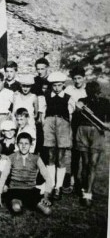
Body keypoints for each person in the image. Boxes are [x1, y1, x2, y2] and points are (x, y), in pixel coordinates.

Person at [0, 132, 53, 215]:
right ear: (17, 144)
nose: (24, 146)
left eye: (26, 143)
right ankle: (21, 203)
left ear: (30, 145)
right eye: (21, 143)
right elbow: (3, 176)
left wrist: (46, 196)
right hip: (15, 190)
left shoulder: (36, 158)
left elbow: (47, 177)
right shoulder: (11, 157)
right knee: (16, 208)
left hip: (30, 191)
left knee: (48, 211)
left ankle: (30, 203)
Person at [75, 81, 110, 206]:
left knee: (93, 163)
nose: (93, 96)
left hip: (97, 134)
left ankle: (88, 193)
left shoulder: (105, 102)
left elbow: (108, 122)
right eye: (90, 93)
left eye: (95, 93)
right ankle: (85, 190)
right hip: (83, 131)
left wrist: (106, 125)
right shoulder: (82, 101)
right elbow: (77, 113)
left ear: (99, 92)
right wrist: (78, 108)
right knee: (85, 163)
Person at [42, 71, 75, 200]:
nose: (56, 88)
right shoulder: (46, 96)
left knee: (61, 156)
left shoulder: (68, 98)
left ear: (63, 85)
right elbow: (42, 113)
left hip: (63, 124)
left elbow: (71, 116)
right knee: (50, 154)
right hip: (49, 123)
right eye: (54, 85)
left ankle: (58, 187)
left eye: (59, 85)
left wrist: (68, 130)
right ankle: (51, 184)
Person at [63, 66, 87, 193]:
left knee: (85, 154)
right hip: (72, 123)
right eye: (75, 79)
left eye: (79, 78)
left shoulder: (87, 91)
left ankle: (83, 183)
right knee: (74, 154)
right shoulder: (68, 89)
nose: (77, 81)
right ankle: (72, 180)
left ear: (84, 78)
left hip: (84, 124)